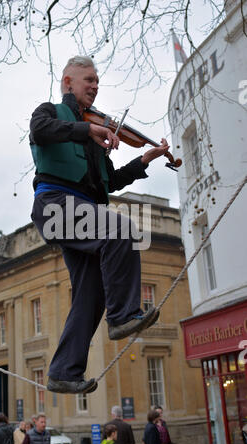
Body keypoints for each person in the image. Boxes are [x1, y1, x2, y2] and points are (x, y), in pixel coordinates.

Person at [30, 56, 169, 394]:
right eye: (88, 80)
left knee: (90, 295)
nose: (94, 86)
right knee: (121, 229)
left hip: (81, 211)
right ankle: (122, 316)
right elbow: (40, 131)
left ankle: (63, 372)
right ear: (68, 83)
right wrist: (86, 129)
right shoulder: (48, 113)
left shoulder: (95, 141)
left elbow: (109, 182)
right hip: (55, 206)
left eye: (97, 81)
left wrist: (142, 160)